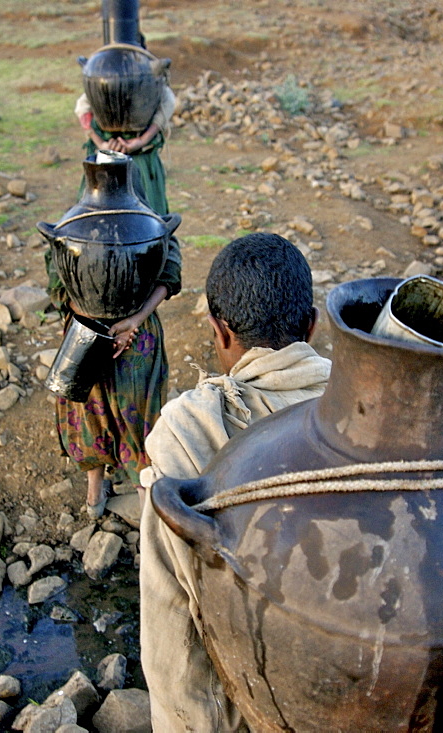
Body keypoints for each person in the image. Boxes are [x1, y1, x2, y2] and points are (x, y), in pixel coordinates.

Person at [138, 232, 332, 731]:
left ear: (220, 332)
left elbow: (174, 619)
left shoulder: (188, 430)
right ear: (311, 325)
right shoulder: (369, 407)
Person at [46, 228, 181, 518]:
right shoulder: (149, 218)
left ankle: (95, 496)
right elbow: (170, 267)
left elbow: (58, 279)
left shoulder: (79, 220)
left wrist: (94, 319)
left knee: (89, 414)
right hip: (138, 336)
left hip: (84, 336)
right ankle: (146, 508)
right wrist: (133, 320)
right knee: (142, 421)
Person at [75, 81, 176, 215]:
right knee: (95, 216)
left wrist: (142, 140)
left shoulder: (146, 70)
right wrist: (101, 144)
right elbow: (83, 105)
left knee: (148, 217)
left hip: (141, 162)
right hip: (104, 164)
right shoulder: (102, 71)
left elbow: (166, 101)